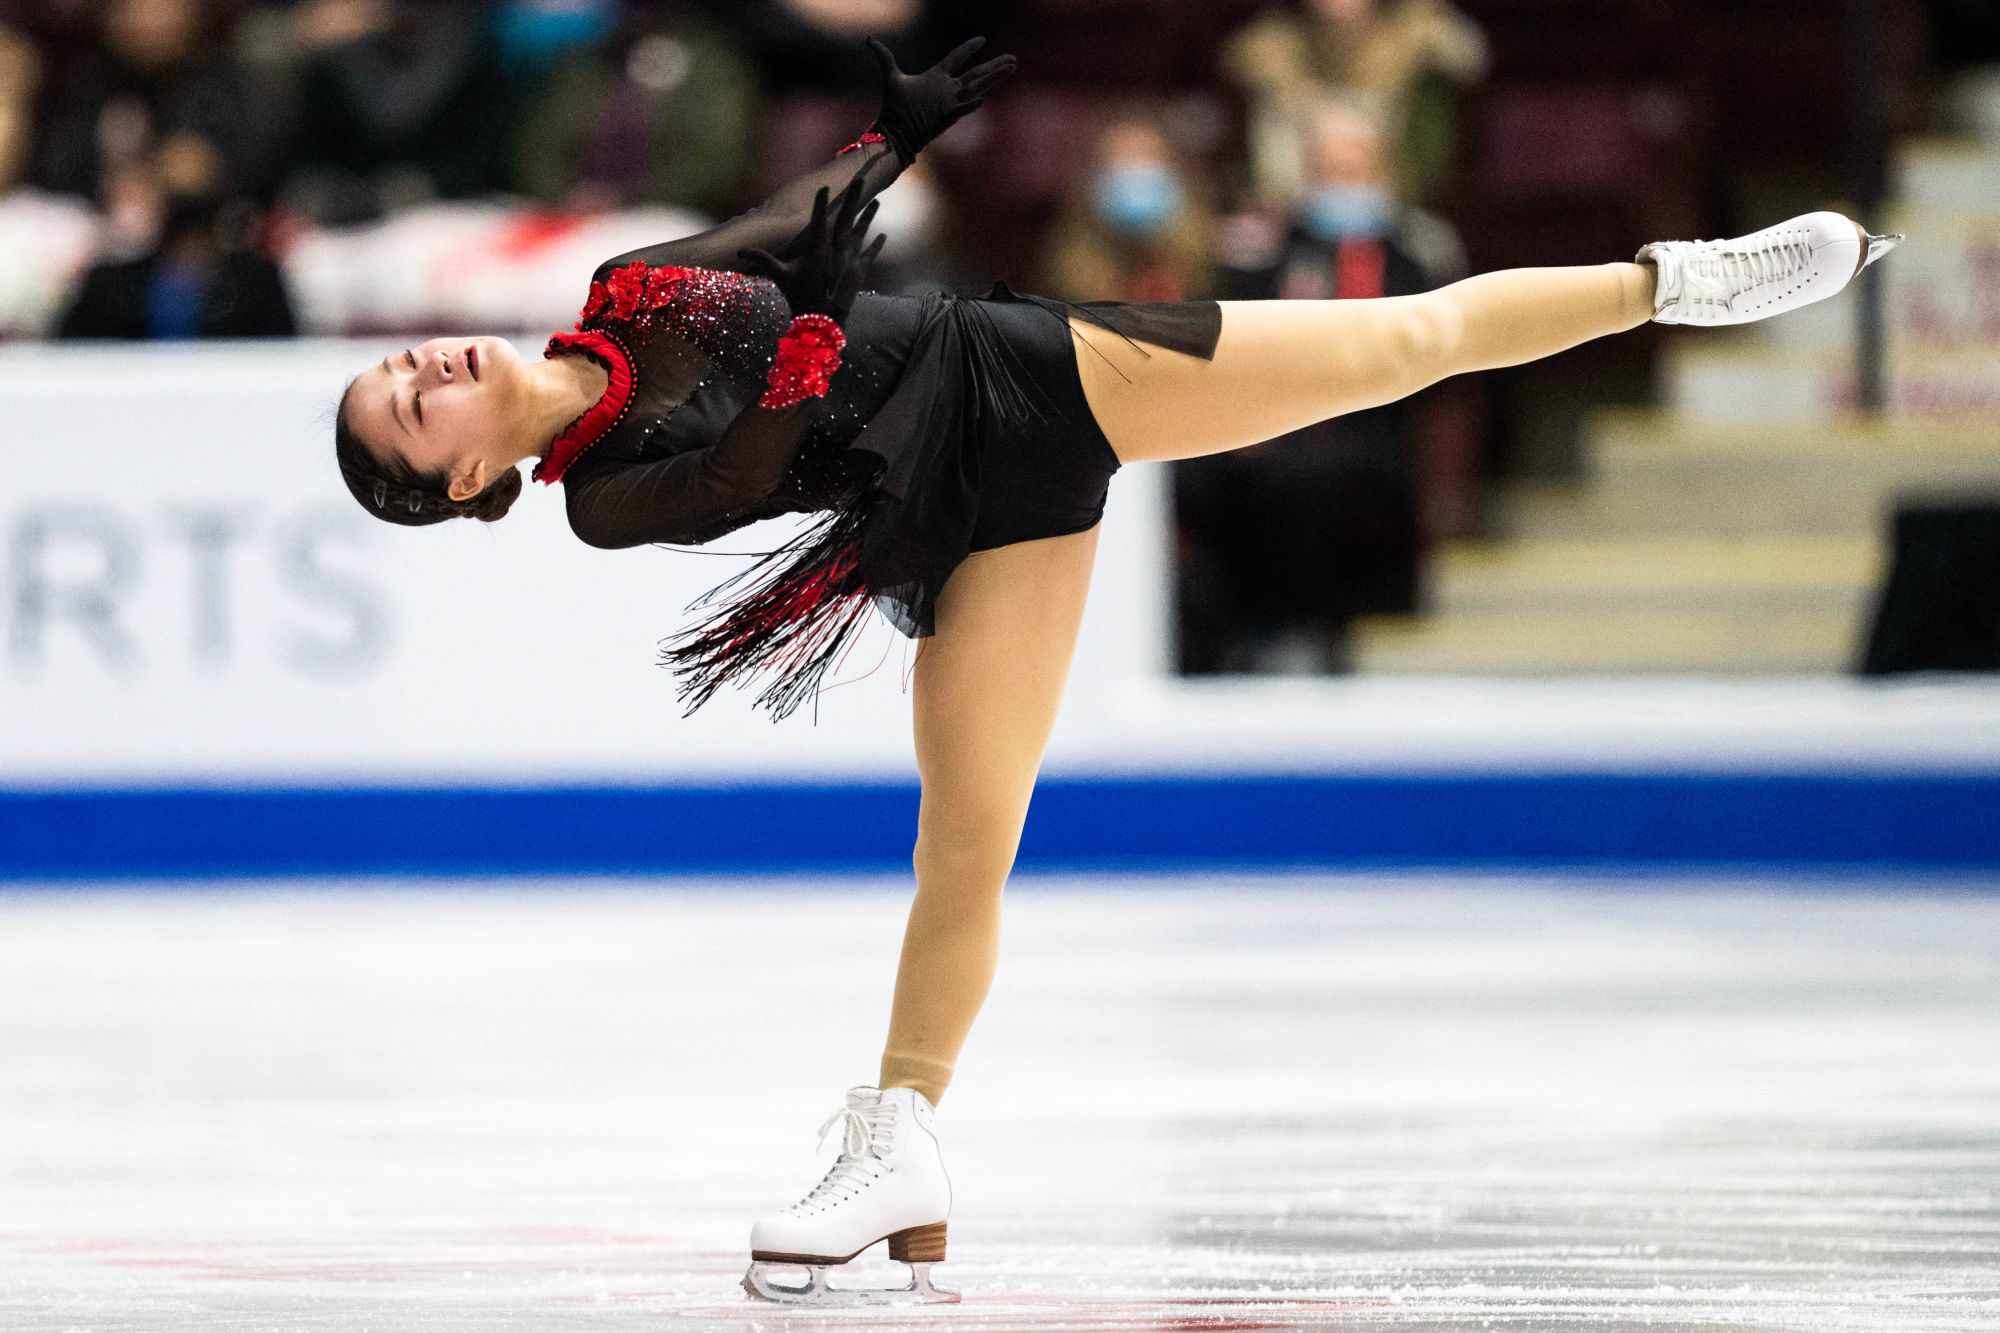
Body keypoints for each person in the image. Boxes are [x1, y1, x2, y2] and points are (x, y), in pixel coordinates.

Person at [329, 34, 1899, 1306]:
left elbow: (784, 235)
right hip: (943, 518)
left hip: (1019, 379)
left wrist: (891, 142)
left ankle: (1674, 282)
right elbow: (736, 484)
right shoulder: (601, 501)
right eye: (409, 412)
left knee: (1397, 343)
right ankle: (903, 1145)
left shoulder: (623, 291)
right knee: (969, 840)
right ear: (465, 488)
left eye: (398, 363)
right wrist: (796, 368)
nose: (423, 370)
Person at [1181, 98, 1459, 672]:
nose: (1341, 184)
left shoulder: (1413, 259)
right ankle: (1219, 640)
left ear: (1382, 172)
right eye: (1328, 170)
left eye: (1354, 170)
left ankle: (1300, 634)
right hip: (1273, 424)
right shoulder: (1270, 253)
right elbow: (1236, 340)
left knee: (1306, 480)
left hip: (1372, 433)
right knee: (1200, 474)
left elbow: (1434, 371)